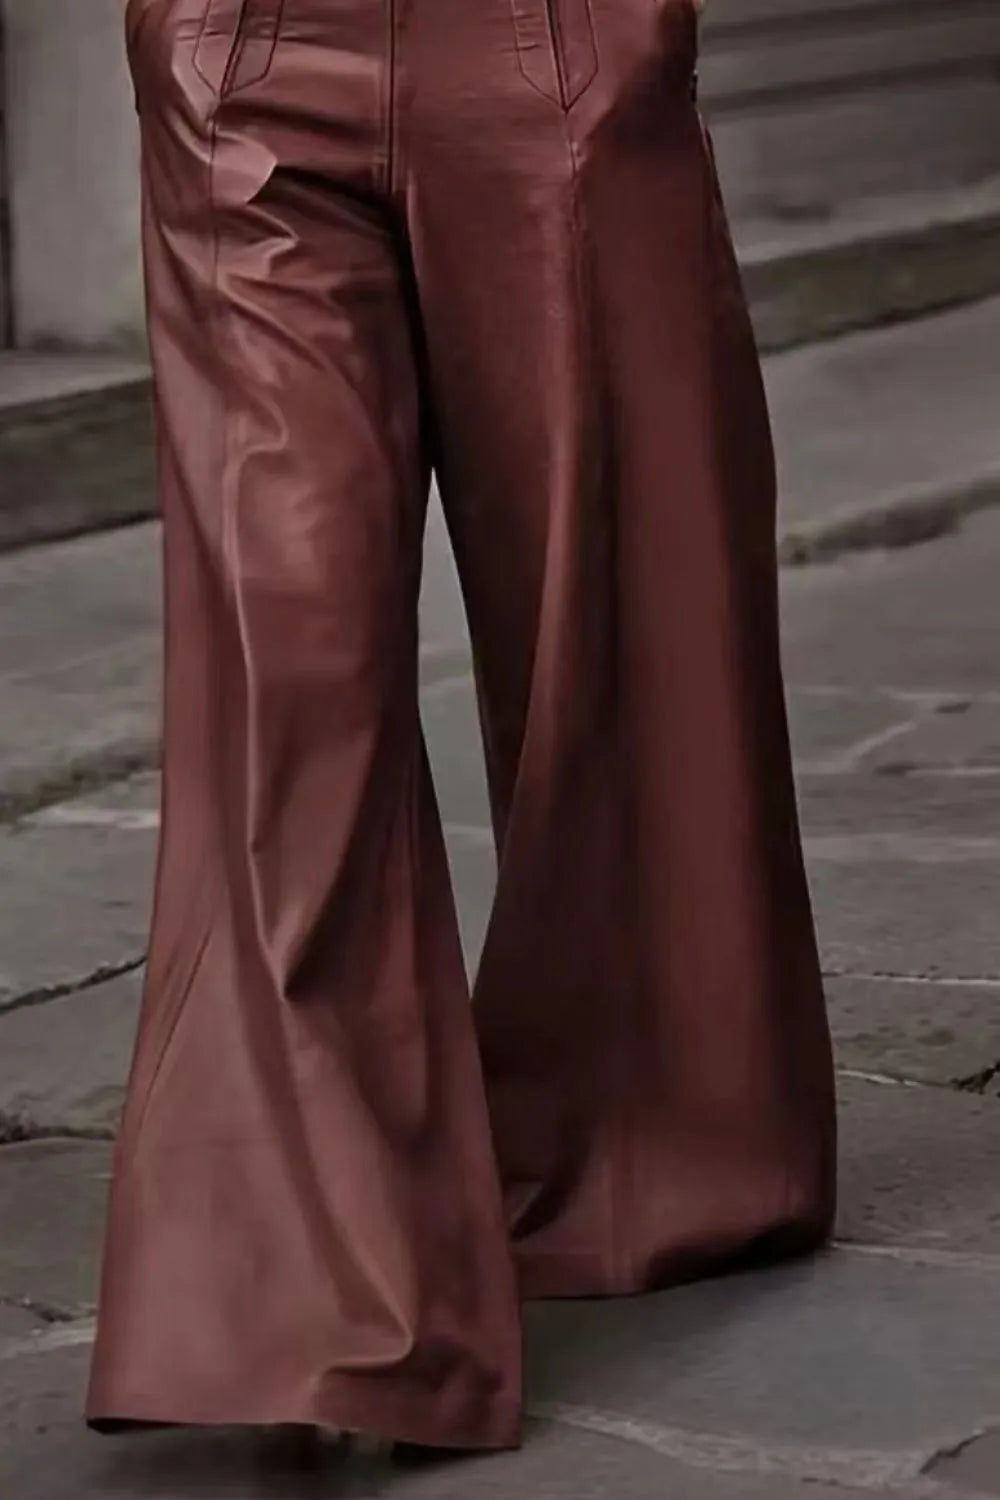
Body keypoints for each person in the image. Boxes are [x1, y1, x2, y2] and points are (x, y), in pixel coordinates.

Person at [87, 0, 836, 1453]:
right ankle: (317, 1288)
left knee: (618, 616)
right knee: (278, 654)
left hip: (547, 38)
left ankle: (649, 1143)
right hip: (244, 56)